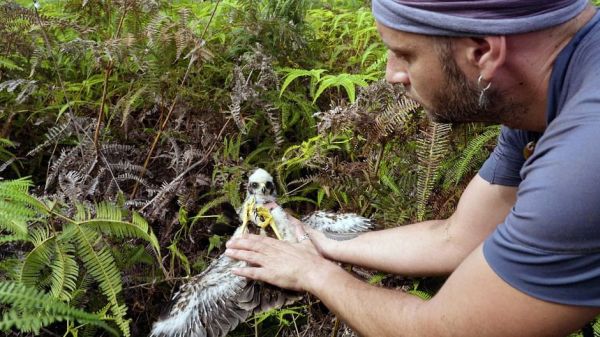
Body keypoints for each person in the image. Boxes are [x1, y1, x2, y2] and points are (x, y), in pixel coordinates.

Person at [225, 1, 600, 336]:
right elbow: (457, 237)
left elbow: (442, 331)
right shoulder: (541, 103)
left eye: (404, 55)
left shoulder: (582, 159)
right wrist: (320, 242)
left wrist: (314, 274)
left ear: (483, 51)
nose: (392, 74)